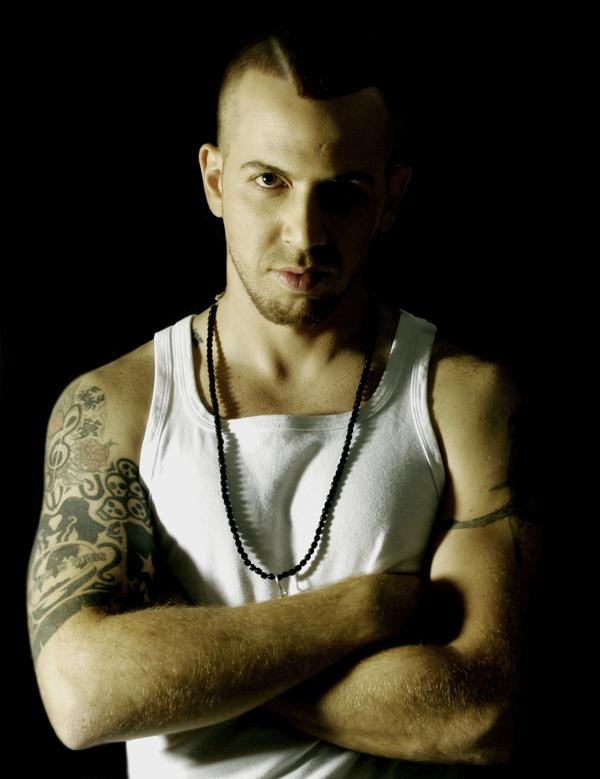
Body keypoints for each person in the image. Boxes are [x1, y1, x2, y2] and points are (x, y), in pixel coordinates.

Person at [26, 25, 541, 778]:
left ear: (391, 198)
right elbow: (83, 696)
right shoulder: (117, 406)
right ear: (214, 181)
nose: (305, 234)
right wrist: (368, 610)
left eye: (343, 192)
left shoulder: (464, 399)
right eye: (269, 180)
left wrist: (172, 667)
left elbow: (478, 712)